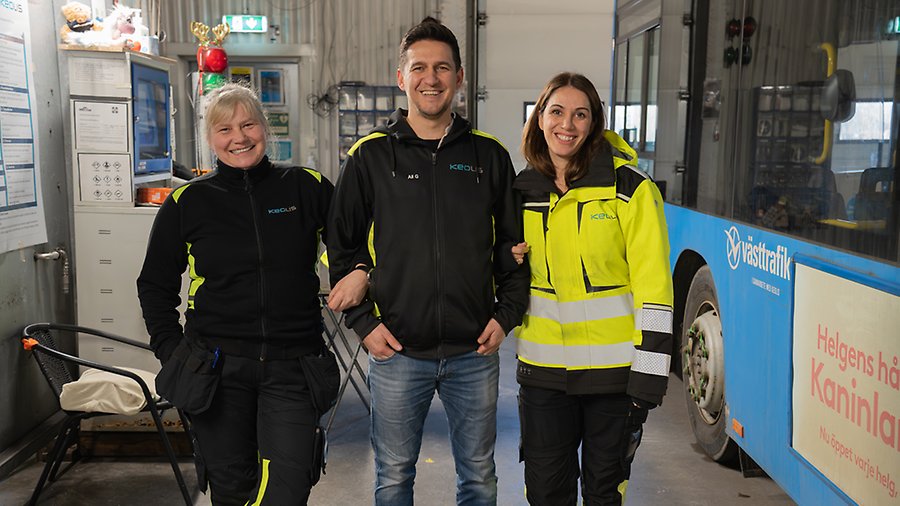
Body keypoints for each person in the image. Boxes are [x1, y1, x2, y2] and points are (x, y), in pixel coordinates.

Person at [326, 17, 530, 506]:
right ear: (402, 77)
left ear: (459, 77)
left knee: (479, 478)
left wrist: (505, 317)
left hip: (473, 353)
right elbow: (341, 247)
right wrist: (364, 324)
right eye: (419, 67)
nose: (431, 78)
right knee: (394, 479)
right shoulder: (370, 157)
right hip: (396, 351)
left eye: (442, 68)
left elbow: (515, 248)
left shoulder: (489, 156)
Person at [137, 83, 336, 505]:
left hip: (293, 364)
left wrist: (356, 280)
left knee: (288, 488)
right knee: (231, 489)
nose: (239, 138)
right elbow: (155, 284)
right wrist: (172, 352)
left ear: (265, 128)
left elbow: (353, 250)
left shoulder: (307, 187)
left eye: (248, 125)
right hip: (217, 370)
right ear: (210, 139)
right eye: (224, 129)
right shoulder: (188, 202)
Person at [511, 72, 673, 505]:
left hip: (615, 378)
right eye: (557, 111)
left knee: (604, 493)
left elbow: (655, 288)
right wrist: (506, 261)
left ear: (594, 123)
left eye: (580, 114)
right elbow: (503, 275)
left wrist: (649, 377)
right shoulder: (521, 192)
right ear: (540, 119)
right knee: (545, 493)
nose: (567, 124)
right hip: (544, 374)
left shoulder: (630, 189)